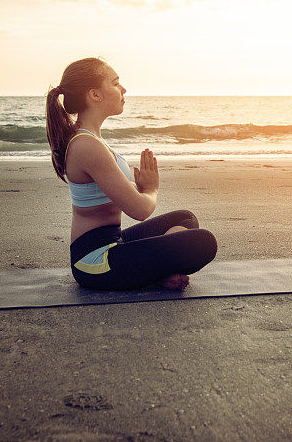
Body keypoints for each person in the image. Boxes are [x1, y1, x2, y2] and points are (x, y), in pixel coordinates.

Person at [45, 57, 217, 290]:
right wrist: (150, 189)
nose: (123, 89)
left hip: (113, 243)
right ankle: (158, 273)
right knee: (203, 243)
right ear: (95, 95)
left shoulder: (90, 139)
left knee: (184, 219)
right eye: (115, 83)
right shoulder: (87, 145)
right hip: (93, 262)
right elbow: (140, 210)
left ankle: (157, 272)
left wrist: (139, 189)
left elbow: (111, 198)